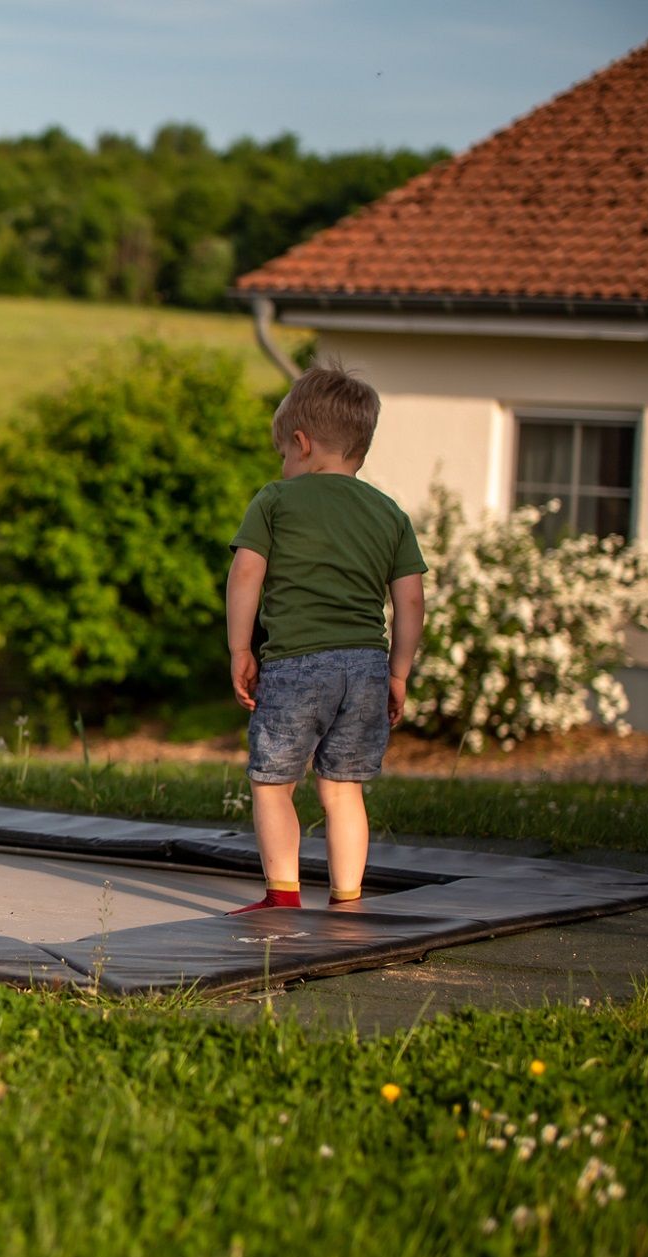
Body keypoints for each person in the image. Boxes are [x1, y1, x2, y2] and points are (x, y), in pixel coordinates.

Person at [225, 360, 426, 914]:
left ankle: (283, 895)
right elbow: (410, 602)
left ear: (302, 443)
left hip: (297, 665)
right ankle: (347, 901)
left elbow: (245, 574)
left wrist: (241, 648)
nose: (283, 466)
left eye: (284, 454)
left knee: (274, 783)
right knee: (342, 789)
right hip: (366, 668)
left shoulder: (275, 500)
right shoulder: (389, 513)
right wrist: (399, 673)